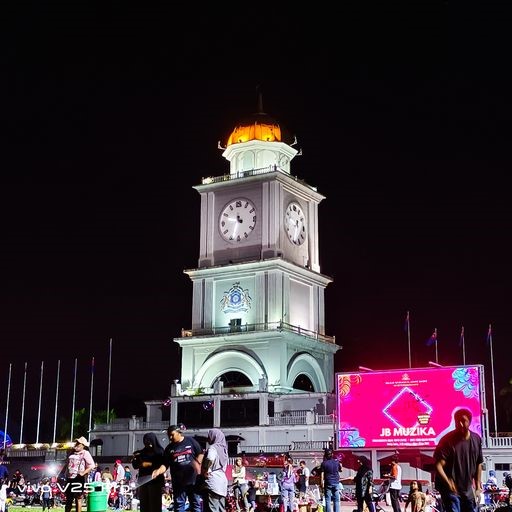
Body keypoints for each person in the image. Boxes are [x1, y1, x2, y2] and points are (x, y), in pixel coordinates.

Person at [434, 408, 483, 512]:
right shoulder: (447, 440)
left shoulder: (476, 439)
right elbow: (438, 465)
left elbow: (479, 463)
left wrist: (478, 487)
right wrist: (448, 482)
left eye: (463, 421)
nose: (460, 424)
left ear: (469, 422)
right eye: (457, 421)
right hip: (452, 491)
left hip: (468, 491)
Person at [152, 424, 203, 512]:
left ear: (179, 433)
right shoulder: (169, 448)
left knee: (195, 504)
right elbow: (165, 464)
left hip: (193, 480)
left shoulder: (190, 441)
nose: (170, 437)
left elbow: (200, 453)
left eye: (172, 435)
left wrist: (197, 464)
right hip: (178, 482)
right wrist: (158, 471)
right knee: (179, 505)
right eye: (169, 436)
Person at [131, 432, 166, 512]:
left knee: (154, 504)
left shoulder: (160, 452)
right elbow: (135, 466)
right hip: (143, 481)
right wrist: (135, 460)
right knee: (144, 504)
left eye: (150, 441)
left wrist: (149, 464)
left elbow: (163, 464)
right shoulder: (141, 452)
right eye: (146, 441)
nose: (148, 444)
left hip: (155, 481)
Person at [63, 436, 95, 512]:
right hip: (69, 478)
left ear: (83, 445)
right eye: (76, 442)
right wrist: (63, 474)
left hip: (79, 479)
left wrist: (83, 472)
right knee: (68, 499)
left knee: (78, 498)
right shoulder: (71, 452)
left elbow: (92, 465)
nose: (76, 444)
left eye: (79, 443)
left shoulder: (85, 453)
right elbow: (66, 464)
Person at [201, 428, 229, 512]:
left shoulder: (213, 448)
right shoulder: (224, 450)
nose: (208, 438)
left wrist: (205, 469)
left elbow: (210, 458)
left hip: (213, 480)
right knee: (221, 508)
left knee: (212, 508)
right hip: (222, 481)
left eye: (210, 436)